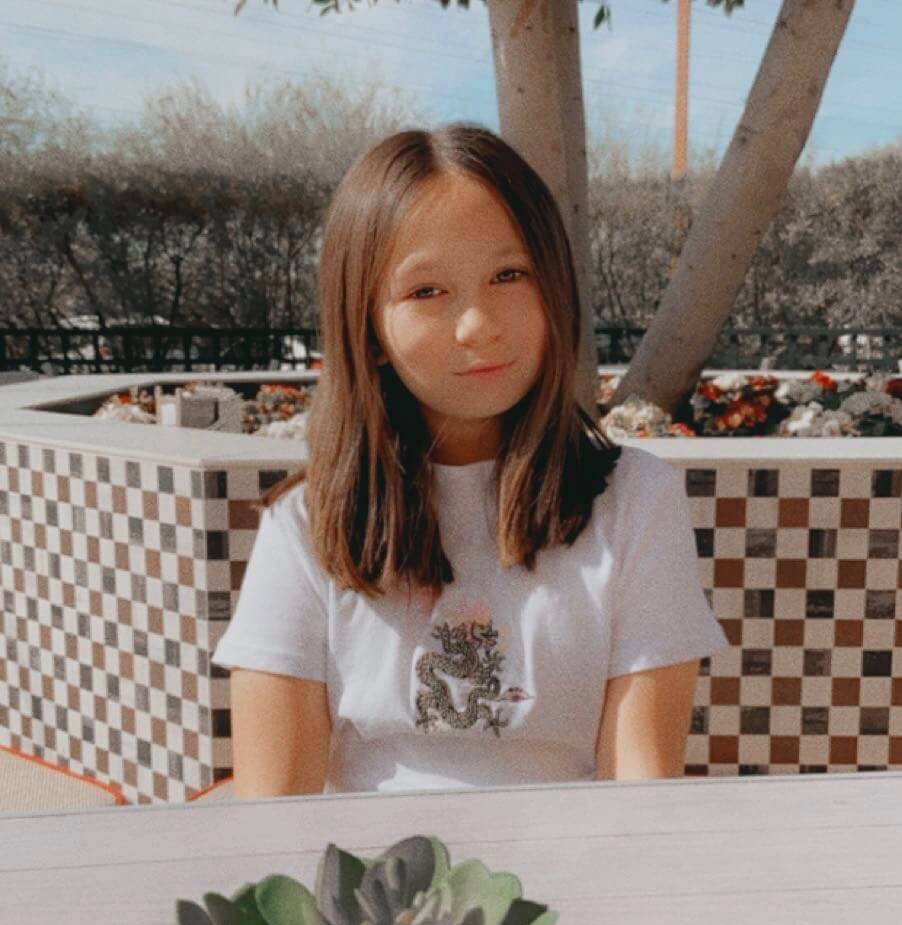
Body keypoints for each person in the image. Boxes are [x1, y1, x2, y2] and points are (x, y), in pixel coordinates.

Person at [211, 122, 729, 798]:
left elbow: (641, 787)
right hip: (371, 867)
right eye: (426, 291)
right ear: (368, 329)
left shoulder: (635, 499)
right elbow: (274, 809)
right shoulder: (305, 525)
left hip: (574, 861)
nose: (478, 324)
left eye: (509, 275)